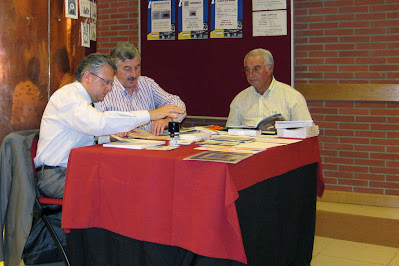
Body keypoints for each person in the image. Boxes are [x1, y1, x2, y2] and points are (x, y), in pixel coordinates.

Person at [34, 53, 185, 198]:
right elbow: (98, 123)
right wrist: (149, 115)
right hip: (55, 176)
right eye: (106, 82)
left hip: (77, 169)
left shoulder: (92, 102)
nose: (110, 88)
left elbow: (92, 136)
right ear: (87, 76)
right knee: (119, 188)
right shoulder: (67, 96)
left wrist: (112, 137)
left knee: (130, 178)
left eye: (111, 83)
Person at [101, 42, 187, 135]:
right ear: (115, 69)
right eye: (127, 69)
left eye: (137, 67)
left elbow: (177, 104)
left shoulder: (147, 84)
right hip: (119, 146)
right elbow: (98, 123)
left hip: (150, 144)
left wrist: (168, 120)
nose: (134, 74)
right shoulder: (105, 90)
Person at [226, 48, 312, 127]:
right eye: (247, 70)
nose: (250, 75)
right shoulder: (239, 99)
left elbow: (306, 133)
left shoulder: (292, 97)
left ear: (269, 69)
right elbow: (230, 133)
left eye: (256, 69)